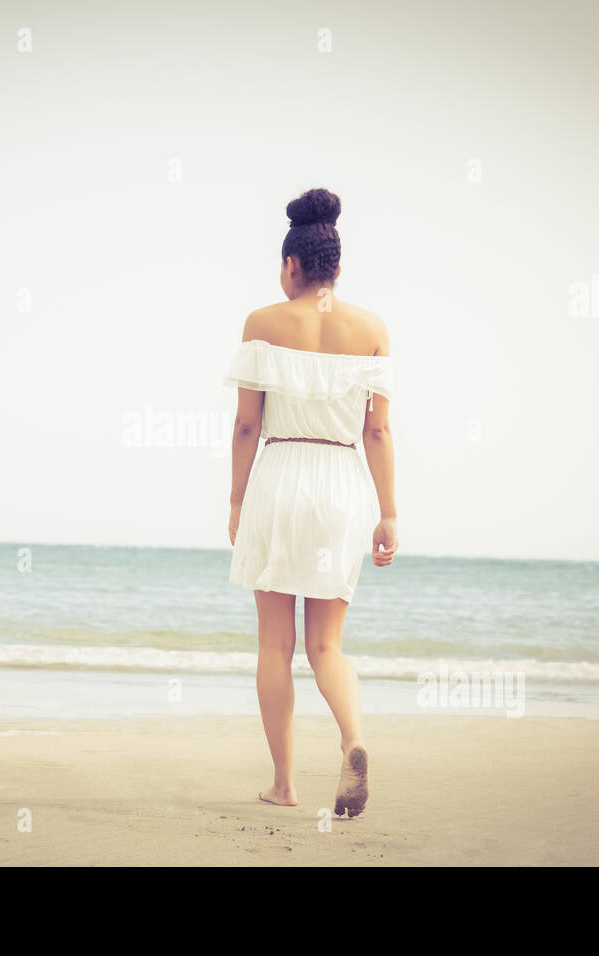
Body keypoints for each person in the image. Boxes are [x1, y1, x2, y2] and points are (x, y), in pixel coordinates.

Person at [224, 187, 397, 818]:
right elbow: (378, 431)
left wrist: (238, 502)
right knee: (327, 646)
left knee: (276, 644)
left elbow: (247, 426)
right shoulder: (372, 329)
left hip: (280, 474)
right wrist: (390, 512)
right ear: (337, 270)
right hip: (343, 482)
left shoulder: (262, 323)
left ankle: (284, 785)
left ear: (290, 266)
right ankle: (352, 740)